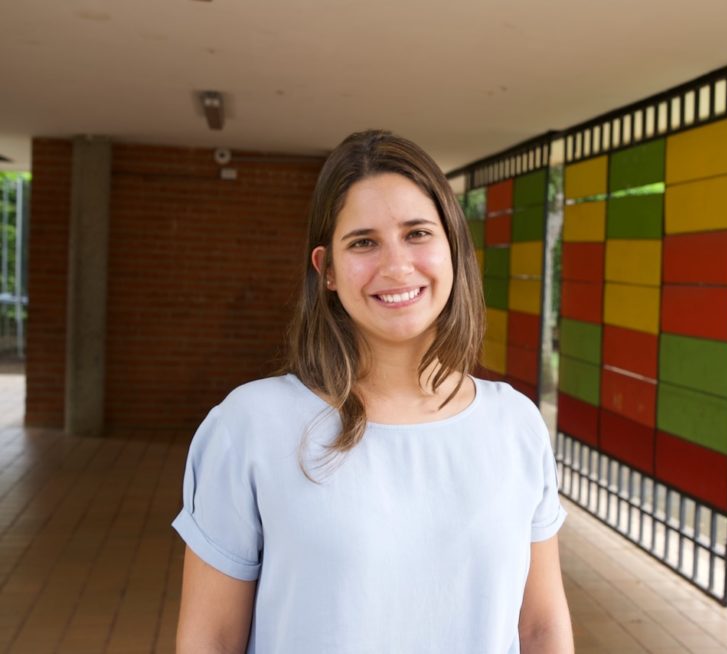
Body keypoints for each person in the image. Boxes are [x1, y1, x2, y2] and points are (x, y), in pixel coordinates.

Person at [172, 130, 573, 653]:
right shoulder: (250, 426)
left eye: (417, 233)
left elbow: (540, 627)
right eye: (363, 242)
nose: (396, 266)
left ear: (454, 248)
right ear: (327, 270)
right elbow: (210, 640)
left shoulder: (515, 425)